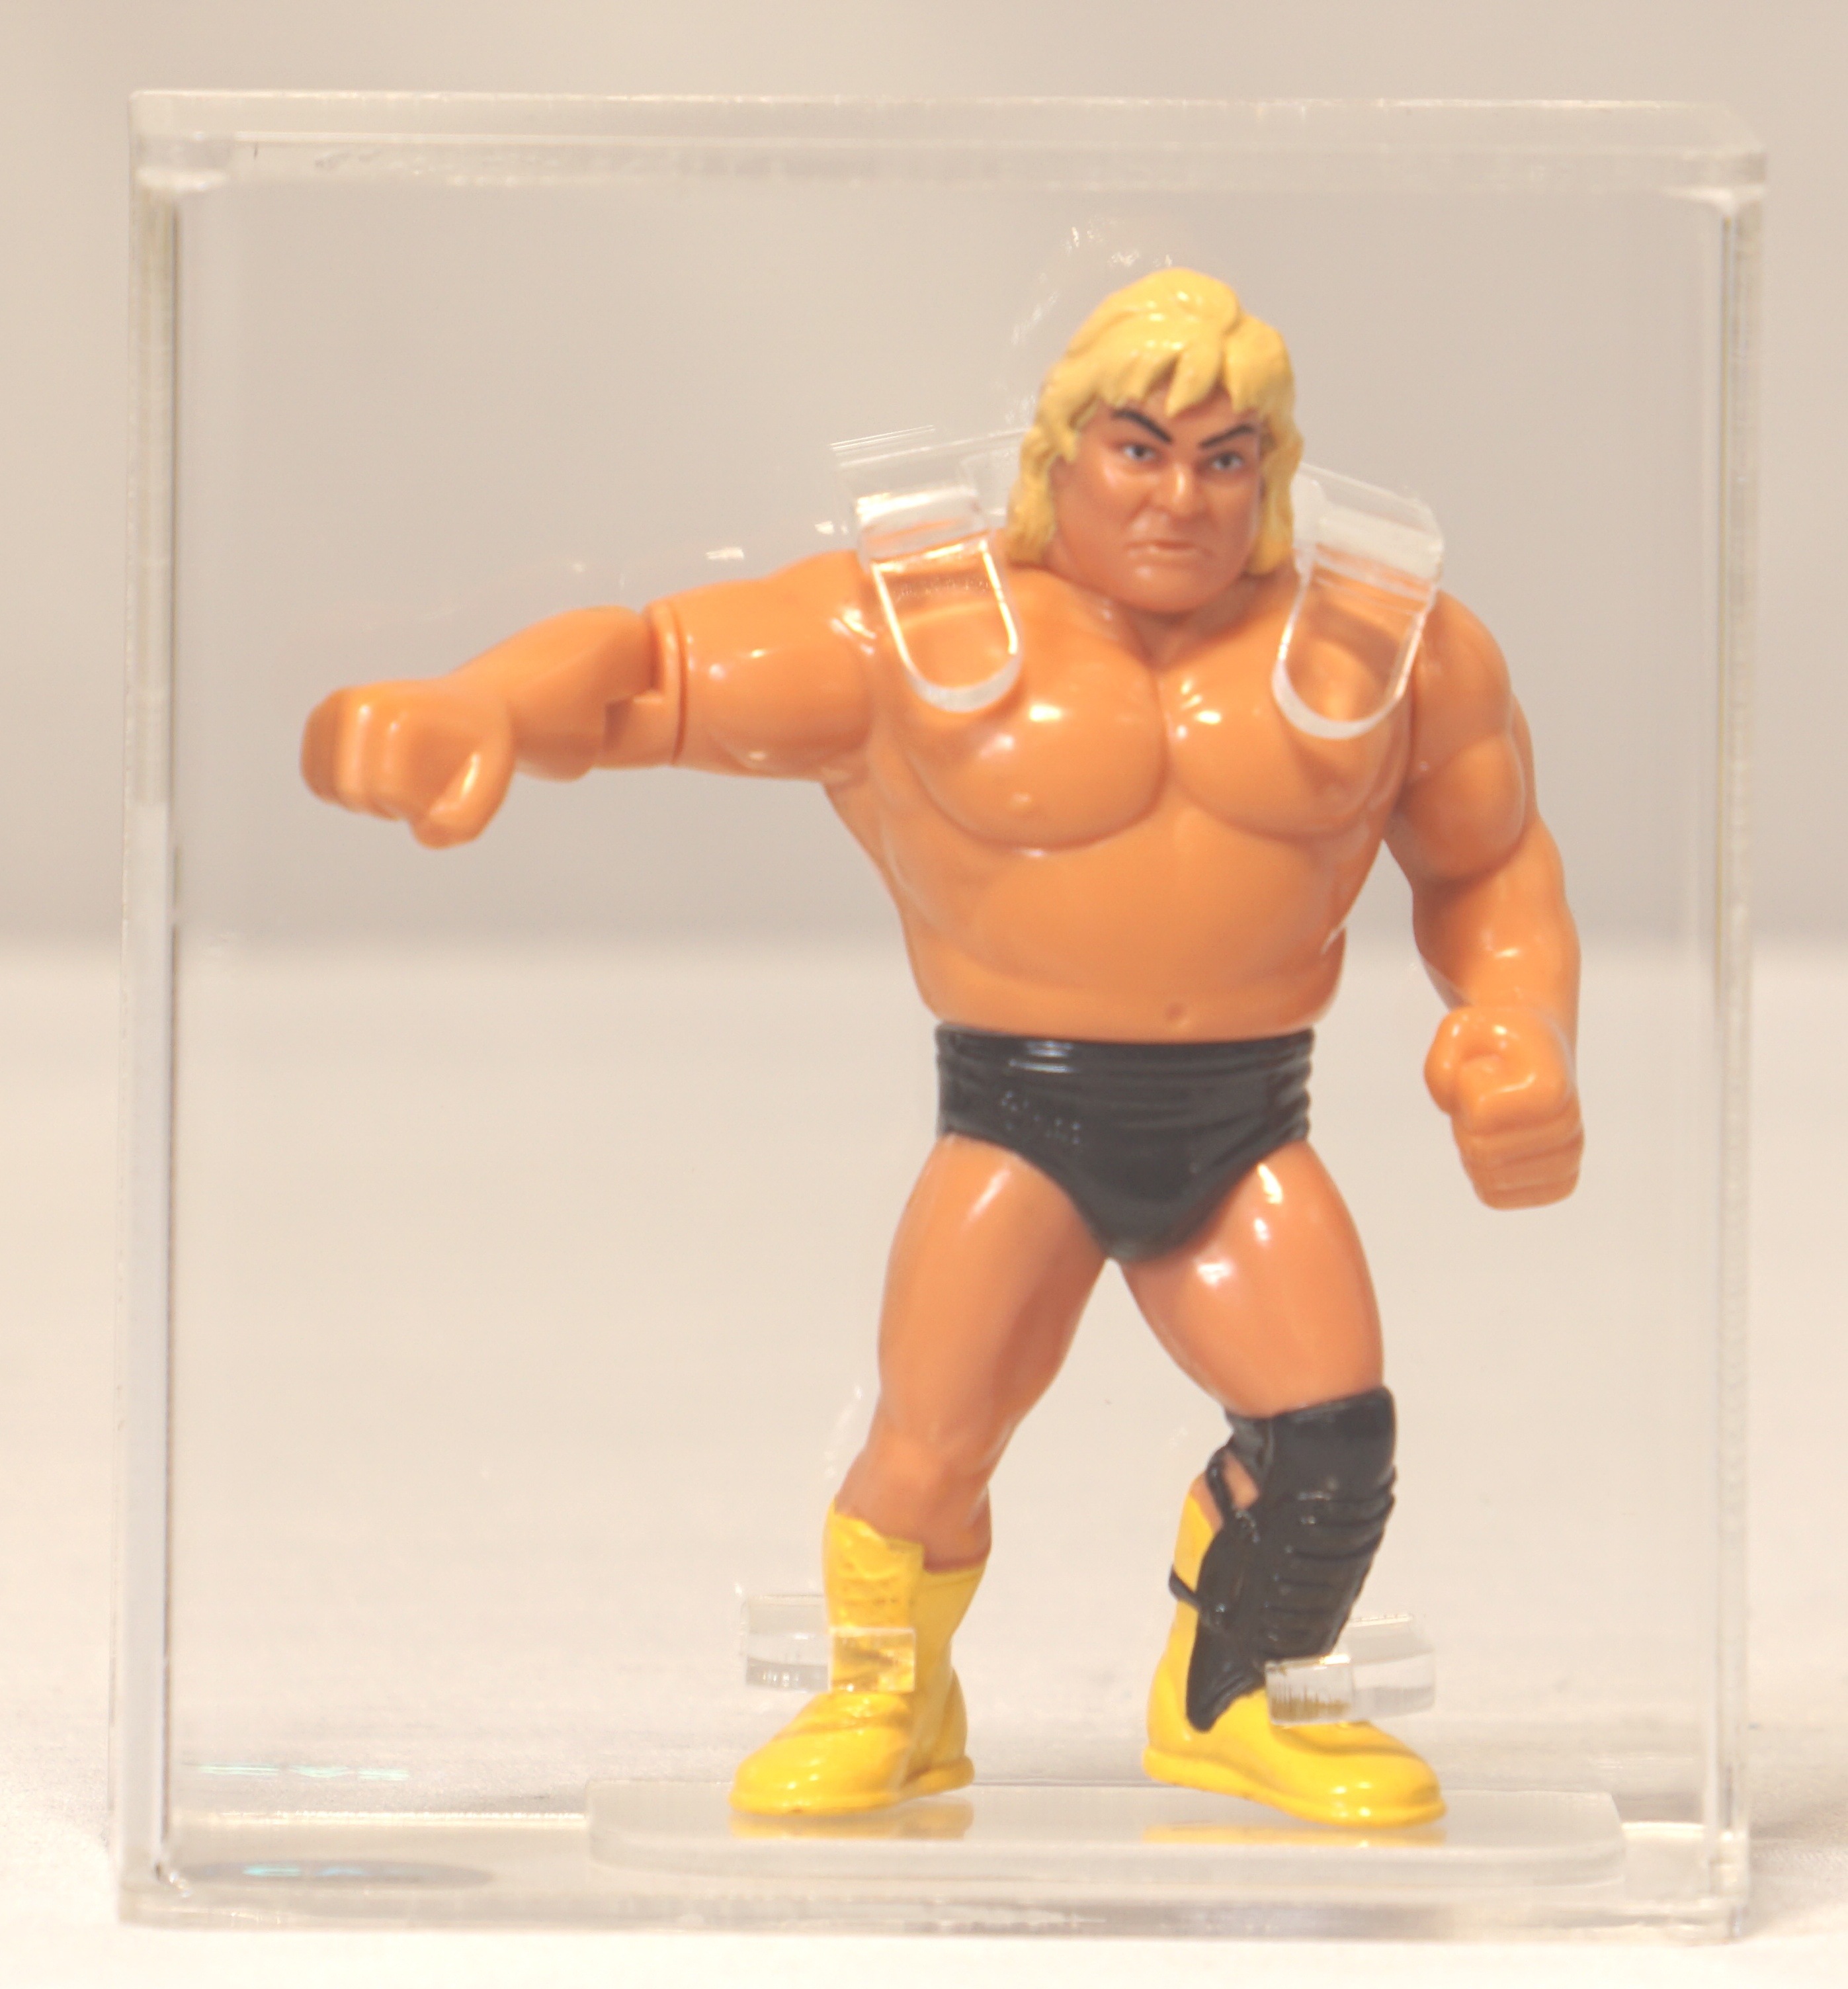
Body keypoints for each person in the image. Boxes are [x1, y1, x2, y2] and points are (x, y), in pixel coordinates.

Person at [302, 269, 1582, 1830]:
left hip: (1246, 1122)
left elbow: (1488, 863)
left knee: (1331, 1440)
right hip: (1021, 1120)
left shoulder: (1383, 643)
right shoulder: (912, 625)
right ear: (1058, 453)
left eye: (1222, 458)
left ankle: (1228, 1700)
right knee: (928, 1446)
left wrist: (1515, 1025)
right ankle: (885, 1702)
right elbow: (652, 669)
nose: (1178, 495)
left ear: (1271, 468)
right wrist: (486, 702)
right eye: (1137, 448)